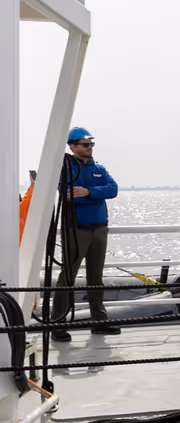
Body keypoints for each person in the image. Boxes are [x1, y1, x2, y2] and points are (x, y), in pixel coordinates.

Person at [51, 127, 120, 342]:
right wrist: (94, 193)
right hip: (77, 229)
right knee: (67, 277)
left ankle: (99, 322)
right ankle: (57, 323)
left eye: (91, 144)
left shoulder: (99, 168)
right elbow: (69, 195)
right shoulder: (65, 169)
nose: (89, 148)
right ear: (72, 146)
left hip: (99, 228)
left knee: (95, 277)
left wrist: (89, 192)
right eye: (85, 144)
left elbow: (113, 189)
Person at [19, 170, 35, 245]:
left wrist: (31, 187)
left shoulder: (19, 209)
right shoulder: (21, 209)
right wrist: (32, 187)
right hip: (22, 244)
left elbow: (25, 201)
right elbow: (26, 200)